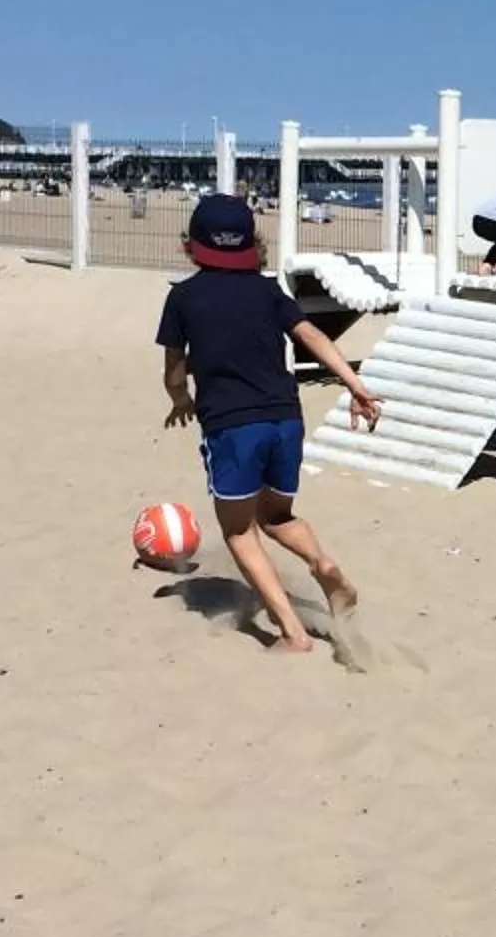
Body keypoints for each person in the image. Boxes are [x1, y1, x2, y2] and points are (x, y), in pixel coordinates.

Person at [155, 192, 383, 656]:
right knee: (276, 515)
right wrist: (355, 386)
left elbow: (175, 367)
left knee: (239, 530)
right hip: (285, 420)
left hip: (234, 428)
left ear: (190, 246)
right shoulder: (267, 291)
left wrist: (181, 398)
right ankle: (324, 564)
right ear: (252, 246)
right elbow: (311, 334)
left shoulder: (182, 298)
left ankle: (292, 633)